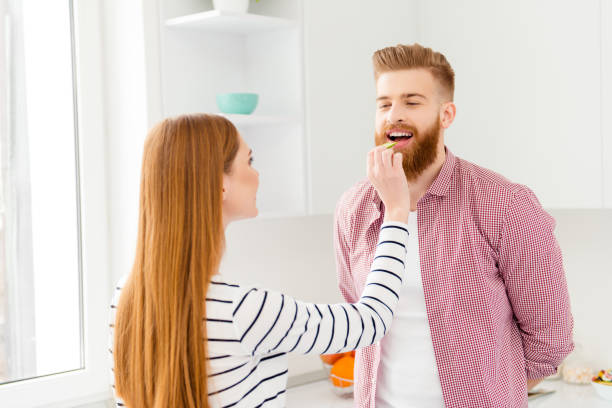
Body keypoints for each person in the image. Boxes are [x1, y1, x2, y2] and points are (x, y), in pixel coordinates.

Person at [109, 113, 412, 408]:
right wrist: (397, 210)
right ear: (221, 184)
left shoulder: (126, 296)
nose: (256, 174)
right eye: (249, 161)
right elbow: (370, 321)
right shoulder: (244, 310)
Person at [333, 44, 574, 408]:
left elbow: (549, 338)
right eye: (384, 104)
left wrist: (492, 390)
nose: (393, 115)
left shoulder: (504, 205)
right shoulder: (354, 208)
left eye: (412, 102)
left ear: (446, 114)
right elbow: (356, 314)